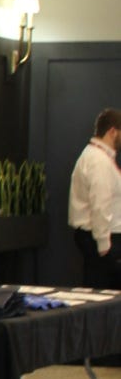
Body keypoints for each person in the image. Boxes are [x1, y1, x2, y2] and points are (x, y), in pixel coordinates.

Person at [67, 109, 121, 287]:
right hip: (101, 240)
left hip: (100, 237)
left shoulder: (99, 157)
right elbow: (100, 204)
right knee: (102, 293)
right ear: (112, 131)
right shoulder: (98, 161)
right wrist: (105, 246)